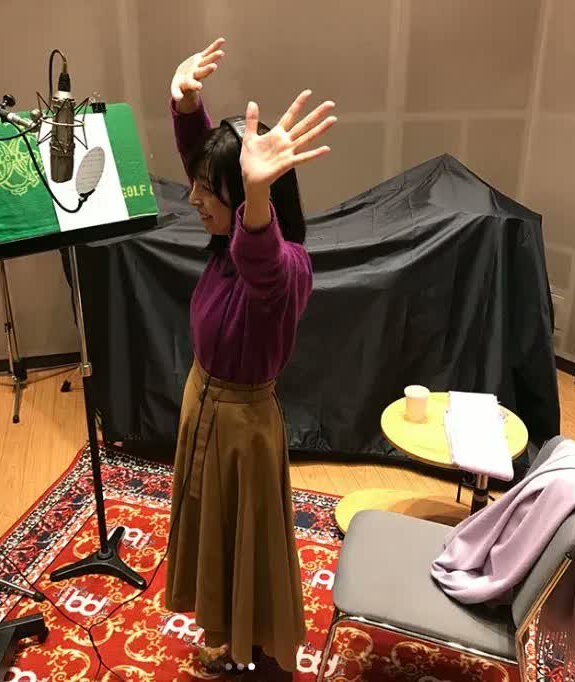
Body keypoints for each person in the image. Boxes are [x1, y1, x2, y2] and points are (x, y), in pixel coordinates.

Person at [164, 37, 337, 677]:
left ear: (246, 203)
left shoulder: (285, 270)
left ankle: (260, 657)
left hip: (242, 430)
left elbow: (262, 258)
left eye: (207, 192)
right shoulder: (222, 239)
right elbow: (207, 165)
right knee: (217, 539)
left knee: (250, 551)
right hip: (204, 406)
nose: (192, 200)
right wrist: (187, 106)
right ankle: (227, 637)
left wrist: (257, 202)